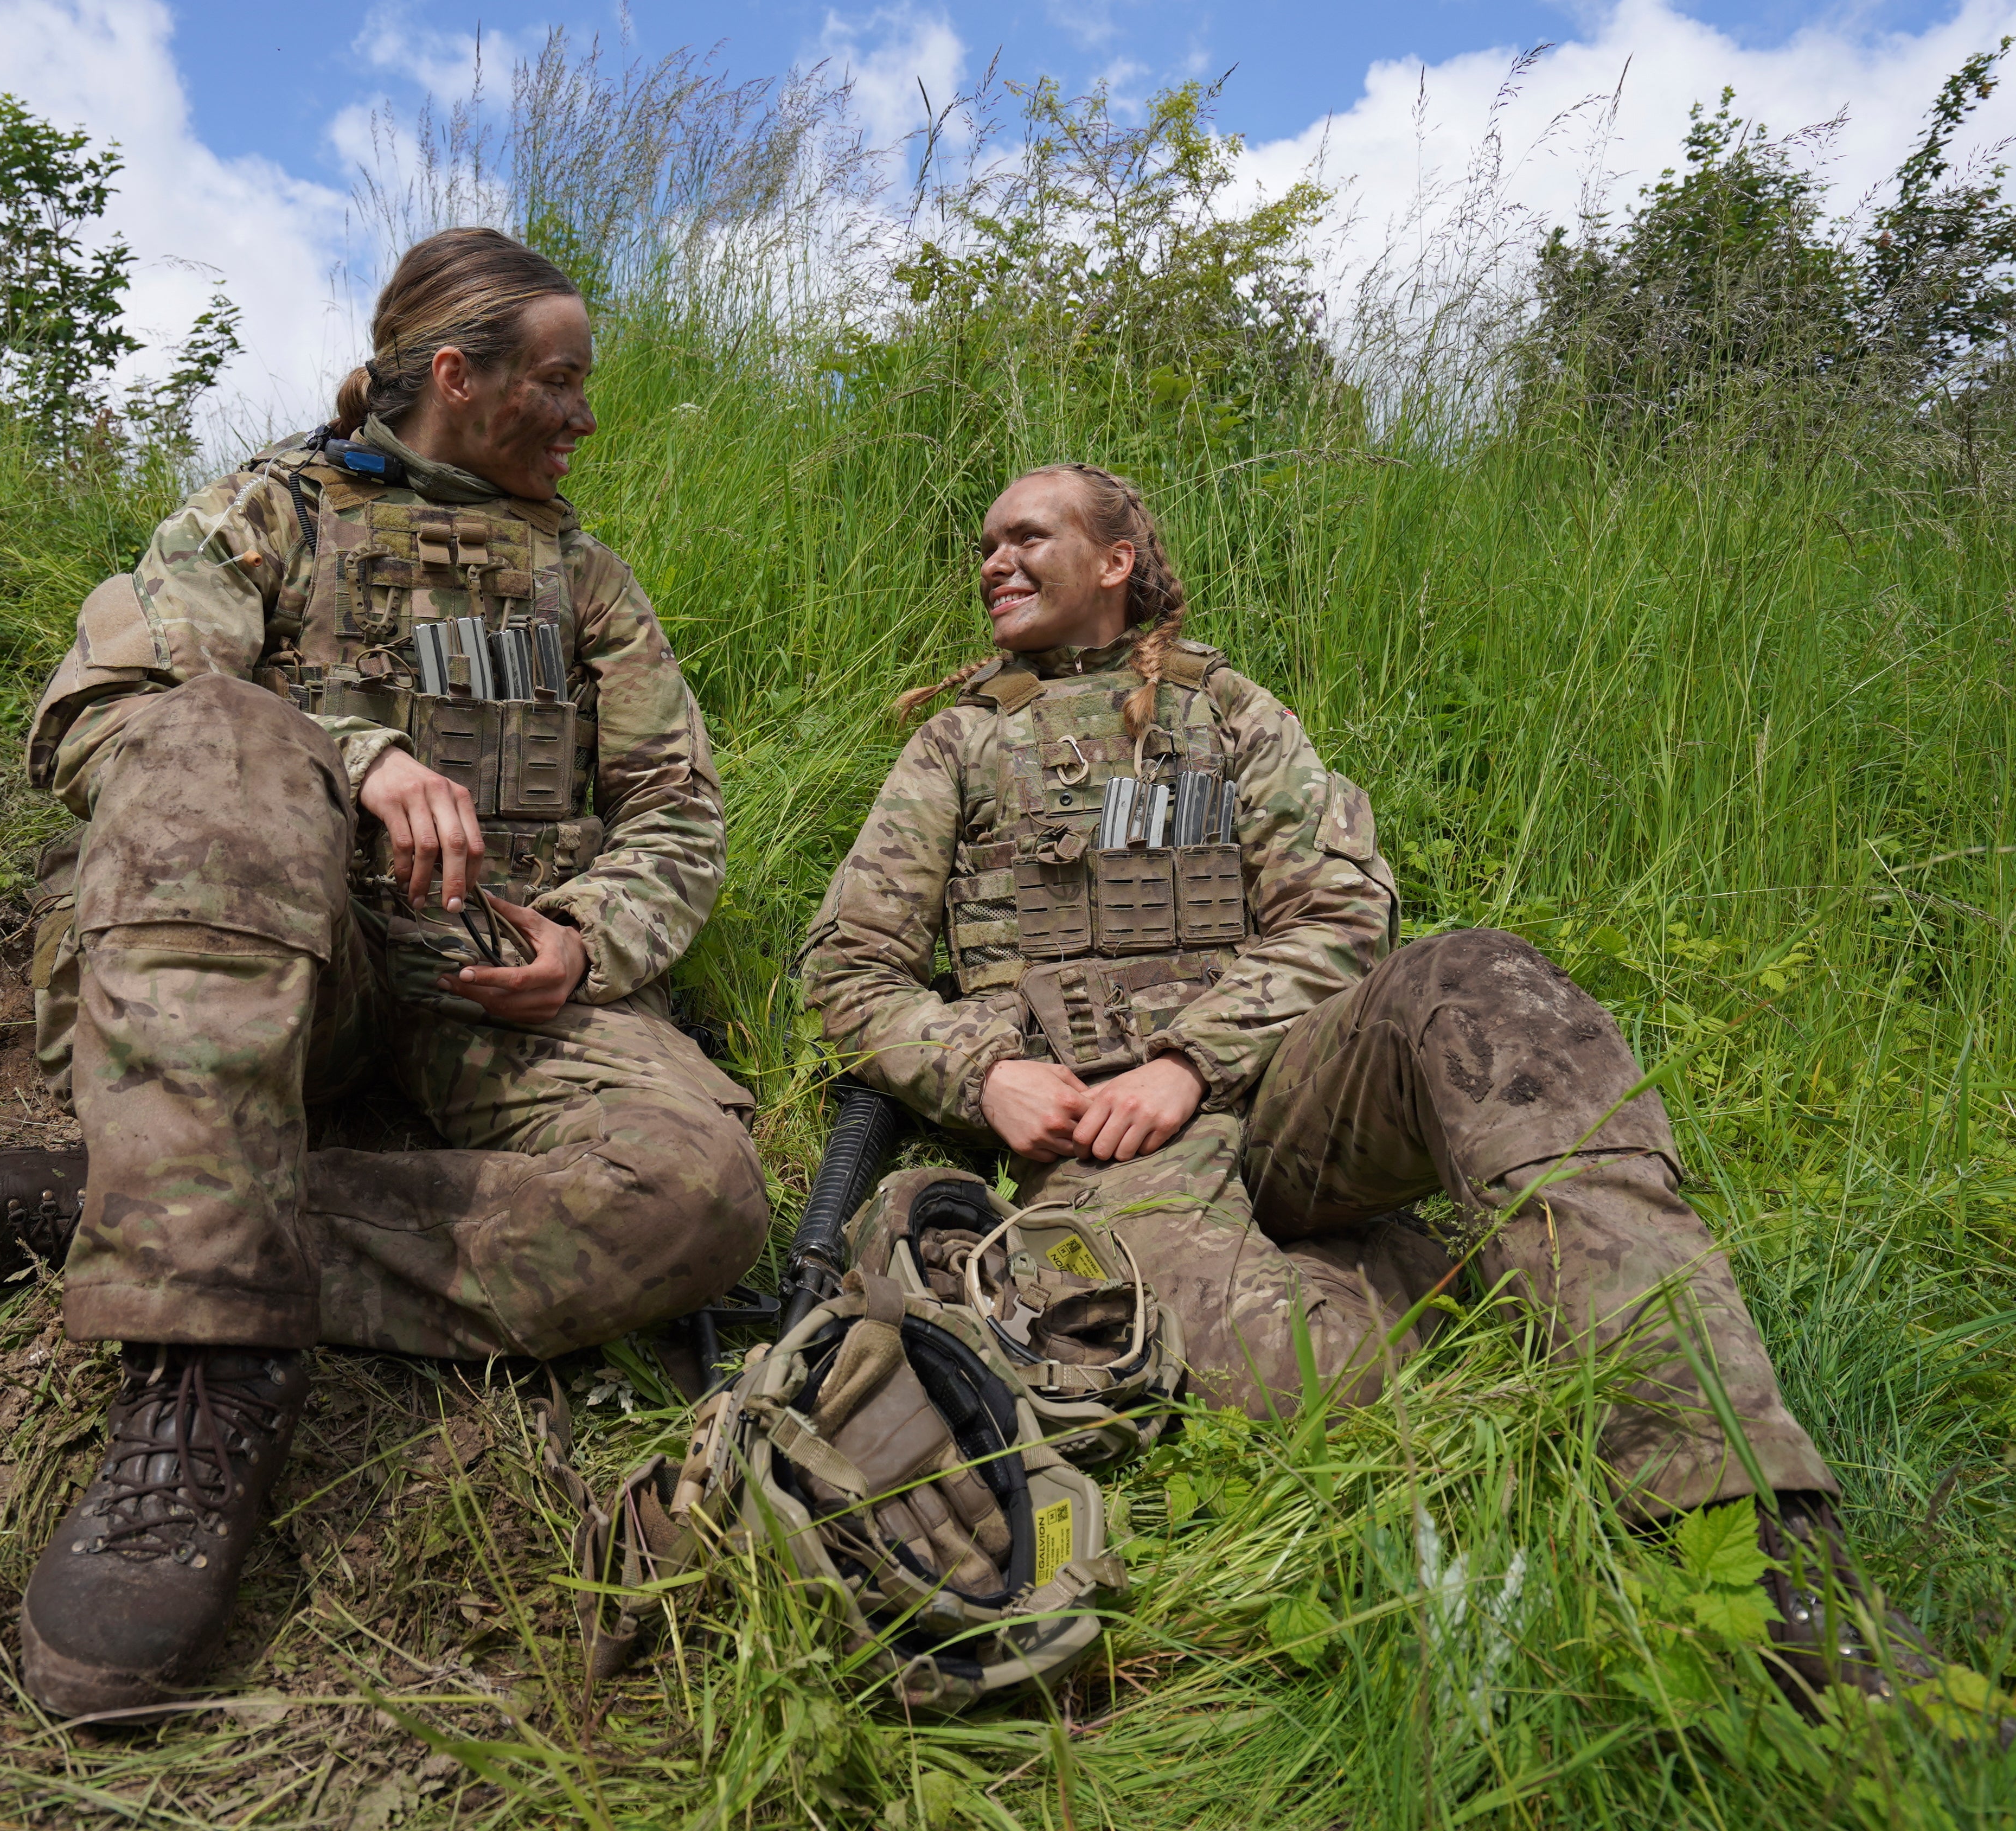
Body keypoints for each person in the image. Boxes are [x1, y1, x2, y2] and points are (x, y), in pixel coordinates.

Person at [802, 462, 1916, 1702]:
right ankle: (1477, 1287)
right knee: (1299, 1385)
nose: (995, 561)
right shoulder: (958, 741)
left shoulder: (1234, 718)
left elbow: (1343, 912)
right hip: (1106, 1150)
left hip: (1289, 1091)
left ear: (1115, 560)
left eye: (1029, 536)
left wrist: (1192, 1057)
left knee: (1486, 983)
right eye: (987, 543)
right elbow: (848, 967)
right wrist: (987, 1071)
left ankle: (1752, 1530)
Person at [0, 228, 767, 1717]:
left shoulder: (584, 581)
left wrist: (587, 940)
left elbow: (681, 810)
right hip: (275, 963)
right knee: (218, 731)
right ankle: (203, 1371)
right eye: (557, 382)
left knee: (699, 1197)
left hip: (495, 979)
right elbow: (102, 714)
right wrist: (351, 755)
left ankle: (135, 1205)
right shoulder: (267, 518)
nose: (584, 417)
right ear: (457, 376)